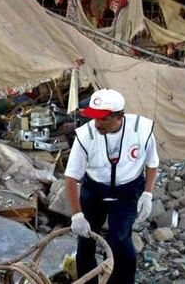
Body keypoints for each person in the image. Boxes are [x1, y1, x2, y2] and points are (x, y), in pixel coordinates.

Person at [65, 89, 159, 283]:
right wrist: (77, 215)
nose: (97, 123)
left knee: (119, 240)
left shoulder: (141, 131)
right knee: (85, 241)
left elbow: (152, 163)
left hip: (128, 191)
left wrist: (147, 194)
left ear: (120, 117)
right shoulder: (86, 135)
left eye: (104, 119)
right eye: (94, 118)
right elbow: (71, 177)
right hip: (94, 191)